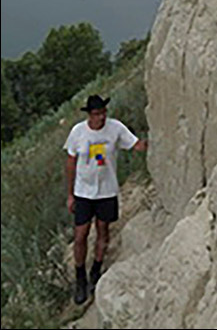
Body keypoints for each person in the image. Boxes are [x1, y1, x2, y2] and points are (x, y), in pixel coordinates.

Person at [64, 93, 147, 305]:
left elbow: (136, 145)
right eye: (96, 114)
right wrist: (70, 194)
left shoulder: (115, 128)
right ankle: (80, 277)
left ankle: (96, 270)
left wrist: (157, 140)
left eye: (103, 113)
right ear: (89, 115)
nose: (101, 117)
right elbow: (70, 162)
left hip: (107, 191)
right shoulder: (78, 132)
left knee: (103, 230)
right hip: (83, 192)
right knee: (81, 234)